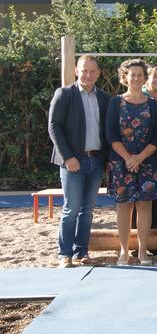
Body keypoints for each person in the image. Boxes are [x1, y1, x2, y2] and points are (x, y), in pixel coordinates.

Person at [48, 55, 110, 268]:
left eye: (92, 71)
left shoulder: (104, 98)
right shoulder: (64, 94)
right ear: (76, 71)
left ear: (98, 73)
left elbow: (107, 132)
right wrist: (68, 157)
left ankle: (80, 252)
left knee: (88, 209)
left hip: (96, 161)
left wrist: (108, 160)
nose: (88, 75)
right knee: (71, 208)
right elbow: (54, 126)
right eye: (84, 70)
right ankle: (64, 253)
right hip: (73, 162)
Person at [106, 59, 157, 266]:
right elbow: (111, 136)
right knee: (124, 206)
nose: (136, 78)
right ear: (125, 77)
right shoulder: (115, 103)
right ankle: (124, 251)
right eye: (133, 74)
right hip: (121, 162)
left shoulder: (153, 105)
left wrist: (139, 158)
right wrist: (129, 158)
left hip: (147, 162)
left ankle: (142, 251)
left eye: (140, 74)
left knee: (144, 205)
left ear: (144, 77)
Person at [131, 63, 157, 257]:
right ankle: (133, 242)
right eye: (155, 76)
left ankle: (153, 240)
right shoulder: (140, 97)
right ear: (148, 78)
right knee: (137, 199)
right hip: (142, 155)